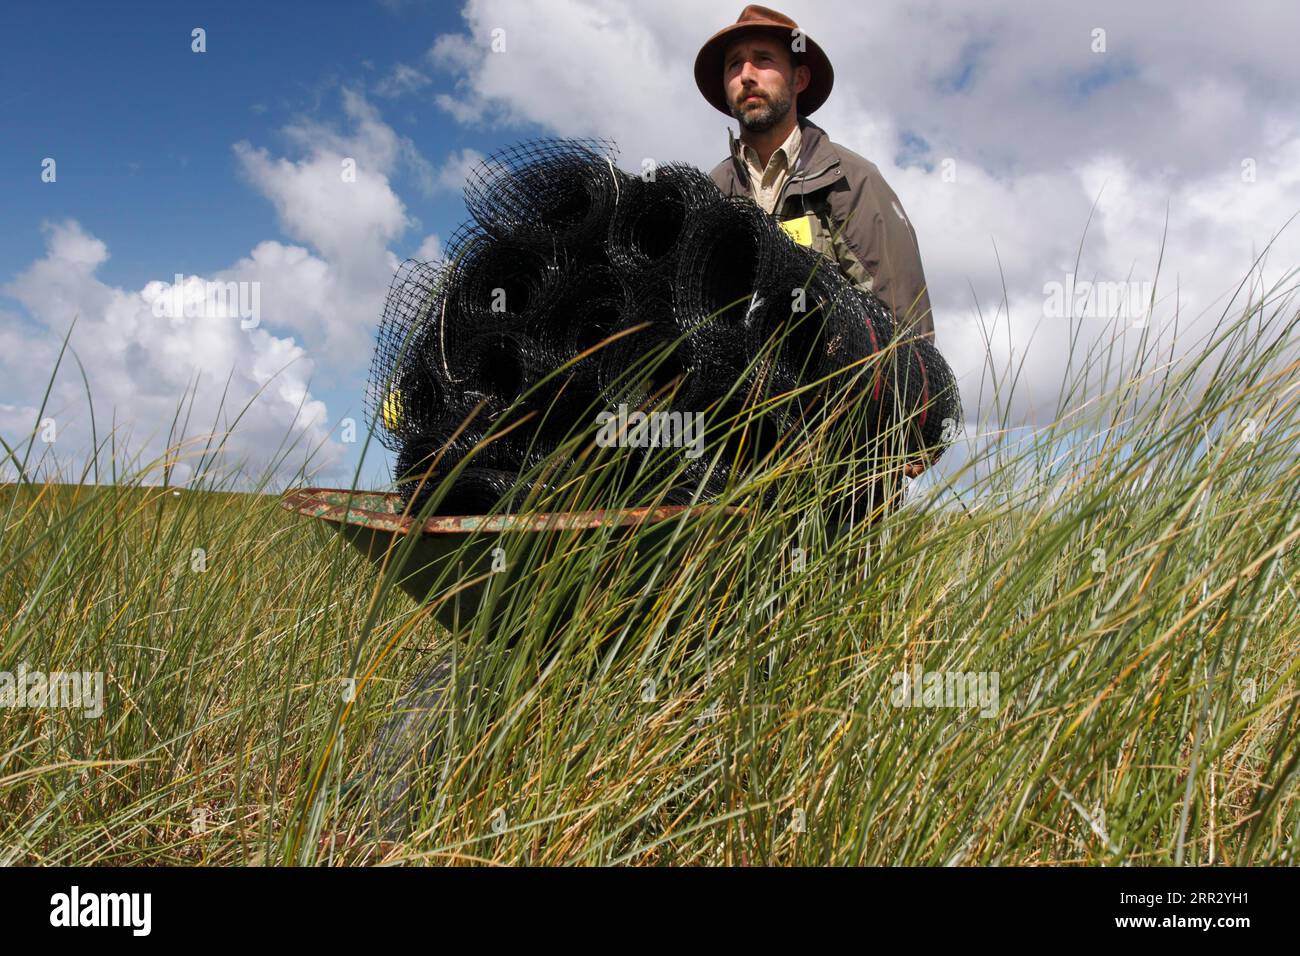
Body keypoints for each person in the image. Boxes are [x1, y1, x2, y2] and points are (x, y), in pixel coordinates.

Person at [695, 4, 937, 491]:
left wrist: (911, 423)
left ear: (799, 77)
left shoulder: (852, 180)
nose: (746, 74)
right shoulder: (709, 195)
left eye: (763, 59)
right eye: (733, 64)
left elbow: (901, 309)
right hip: (733, 450)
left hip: (840, 446)